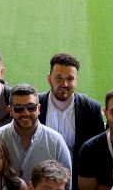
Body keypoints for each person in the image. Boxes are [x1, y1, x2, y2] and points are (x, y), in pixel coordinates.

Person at [0, 84, 72, 187]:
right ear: (10, 110)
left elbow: (66, 183)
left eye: (31, 107)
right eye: (19, 108)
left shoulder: (56, 141)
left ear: (38, 109)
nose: (26, 113)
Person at [39, 53, 103, 181]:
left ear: (76, 80)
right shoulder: (34, 106)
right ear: (49, 79)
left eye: (70, 79)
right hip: (41, 181)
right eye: (59, 78)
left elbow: (100, 151)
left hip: (78, 183)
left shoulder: (91, 109)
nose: (64, 84)